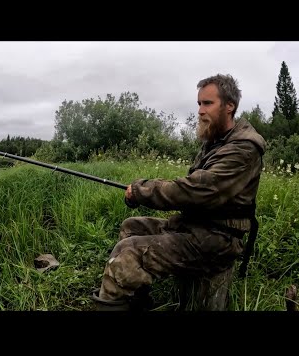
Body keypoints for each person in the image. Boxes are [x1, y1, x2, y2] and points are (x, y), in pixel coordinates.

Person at [91, 73, 266, 311]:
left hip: (218, 238)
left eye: (207, 103)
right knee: (131, 226)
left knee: (127, 252)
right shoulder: (215, 141)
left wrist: (142, 191)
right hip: (196, 226)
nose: (200, 110)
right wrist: (144, 188)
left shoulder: (243, 148)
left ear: (229, 106)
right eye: (199, 103)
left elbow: (195, 190)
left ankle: (113, 303)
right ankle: (137, 299)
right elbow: (190, 182)